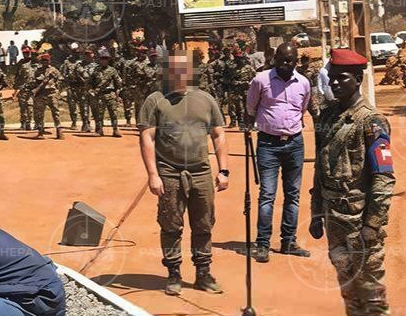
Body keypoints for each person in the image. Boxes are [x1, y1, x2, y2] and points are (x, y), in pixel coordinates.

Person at [310, 49, 395, 316]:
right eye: (332, 77)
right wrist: (316, 212)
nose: (335, 82)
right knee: (349, 290)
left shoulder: (371, 121)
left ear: (358, 79)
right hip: (335, 221)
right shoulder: (329, 117)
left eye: (342, 77)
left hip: (360, 223)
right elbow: (321, 170)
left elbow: (384, 176)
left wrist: (373, 225)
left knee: (371, 293)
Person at [138, 50, 229, 296]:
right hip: (169, 173)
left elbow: (218, 134)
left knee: (204, 225)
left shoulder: (206, 99)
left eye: (183, 71)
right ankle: (174, 273)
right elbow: (147, 137)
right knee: (171, 225)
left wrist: (224, 170)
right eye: (174, 71)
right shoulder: (155, 100)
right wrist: (153, 175)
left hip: (201, 173)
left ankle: (203, 273)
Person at [245, 43, 311, 263]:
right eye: (282, 59)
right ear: (274, 59)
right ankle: (262, 243)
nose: (286, 64)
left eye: (290, 61)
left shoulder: (303, 83)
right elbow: (251, 108)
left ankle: (288, 241)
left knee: (292, 195)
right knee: (267, 195)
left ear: (296, 61)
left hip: (294, 143)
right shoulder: (260, 80)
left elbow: (302, 110)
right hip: (268, 145)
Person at [88, 49, 123, 138]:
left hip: (110, 94)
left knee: (113, 113)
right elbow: (89, 82)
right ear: (99, 60)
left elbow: (118, 83)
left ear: (108, 60)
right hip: (99, 95)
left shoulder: (113, 70)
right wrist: (91, 91)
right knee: (99, 114)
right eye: (102, 58)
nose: (104, 60)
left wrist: (117, 93)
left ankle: (115, 130)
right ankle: (99, 130)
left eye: (106, 58)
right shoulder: (96, 70)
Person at [31, 52, 65, 139]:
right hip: (41, 94)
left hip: (51, 94)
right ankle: (40, 132)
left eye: (46, 60)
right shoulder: (38, 71)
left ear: (49, 61)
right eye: (43, 60)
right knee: (40, 114)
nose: (45, 62)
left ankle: (59, 131)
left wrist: (58, 91)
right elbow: (34, 82)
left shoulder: (53, 70)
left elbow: (61, 80)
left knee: (56, 113)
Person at [14, 47, 37, 131]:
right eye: (24, 53)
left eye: (27, 53)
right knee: (23, 106)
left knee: (30, 106)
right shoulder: (20, 63)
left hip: (33, 88)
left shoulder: (34, 62)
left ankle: (29, 122)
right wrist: (16, 89)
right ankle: (23, 123)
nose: (26, 54)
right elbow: (17, 76)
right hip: (23, 87)